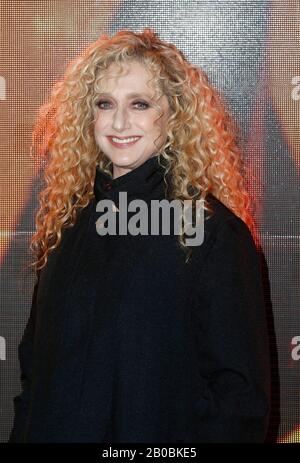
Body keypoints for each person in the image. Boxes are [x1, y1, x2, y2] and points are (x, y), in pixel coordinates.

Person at [8, 28, 270, 443]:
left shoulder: (212, 233)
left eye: (140, 104)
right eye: (104, 104)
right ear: (86, 115)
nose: (118, 122)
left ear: (174, 116)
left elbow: (238, 404)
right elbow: (35, 372)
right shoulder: (69, 224)